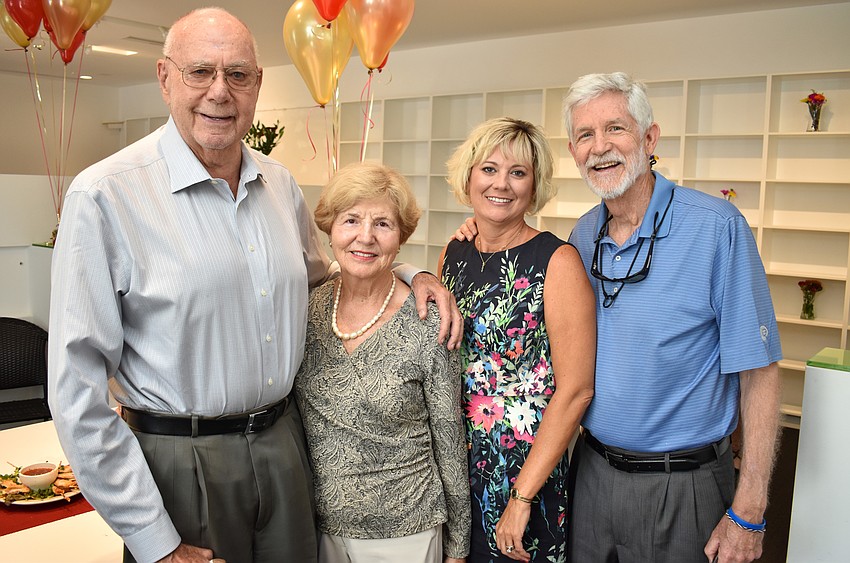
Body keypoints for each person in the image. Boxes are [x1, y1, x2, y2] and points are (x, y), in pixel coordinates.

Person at [47, 8, 460, 563]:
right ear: (165, 77)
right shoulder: (104, 196)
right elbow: (74, 392)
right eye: (200, 72)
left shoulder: (279, 185)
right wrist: (154, 541)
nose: (220, 92)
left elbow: (326, 283)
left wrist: (412, 274)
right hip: (179, 460)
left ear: (258, 85)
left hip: (285, 448)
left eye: (238, 75)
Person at [561, 72, 782, 563]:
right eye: (584, 135)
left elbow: (761, 375)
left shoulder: (717, 229)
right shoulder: (582, 236)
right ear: (573, 151)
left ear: (649, 137)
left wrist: (751, 508)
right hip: (592, 475)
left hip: (685, 487)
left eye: (615, 128)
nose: (600, 147)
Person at [294, 162, 471, 563]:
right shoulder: (307, 307)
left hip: (406, 530)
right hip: (318, 528)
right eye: (351, 220)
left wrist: (458, 545)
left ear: (401, 236)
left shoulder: (429, 320)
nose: (365, 237)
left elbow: (448, 435)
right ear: (330, 228)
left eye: (383, 224)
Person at [440, 117, 596, 563]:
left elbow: (577, 389)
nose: (501, 184)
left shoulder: (557, 261)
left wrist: (523, 497)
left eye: (518, 172)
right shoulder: (455, 252)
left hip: (523, 470)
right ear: (469, 175)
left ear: (535, 185)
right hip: (456, 461)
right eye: (489, 169)